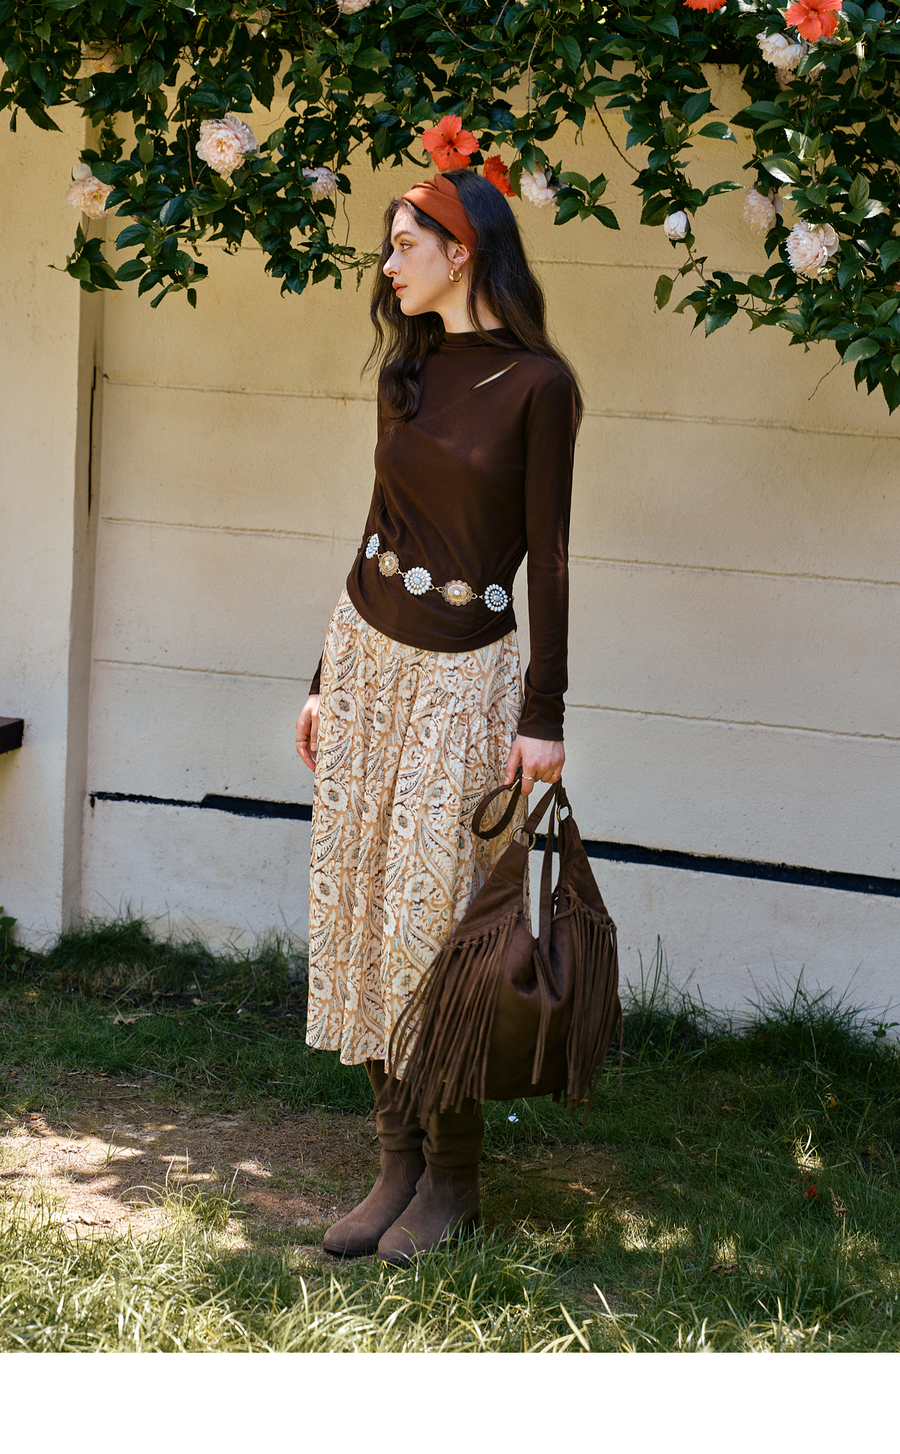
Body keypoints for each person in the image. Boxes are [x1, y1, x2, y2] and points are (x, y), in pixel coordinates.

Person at [295, 167, 582, 1264]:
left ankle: (452, 1177)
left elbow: (549, 558)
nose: (388, 264)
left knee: (434, 924)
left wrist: (544, 714)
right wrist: (321, 673)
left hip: (466, 680)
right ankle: (395, 1163)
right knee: (364, 908)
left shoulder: (539, 386)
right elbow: (377, 523)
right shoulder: (406, 368)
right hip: (366, 660)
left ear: (463, 251)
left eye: (405, 244)